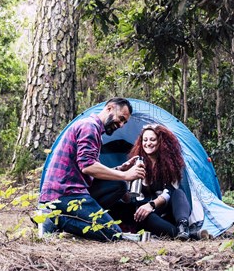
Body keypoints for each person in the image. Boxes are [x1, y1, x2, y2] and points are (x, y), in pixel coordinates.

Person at [38, 97, 146, 241]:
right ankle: (54, 219)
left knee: (118, 185)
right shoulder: (89, 127)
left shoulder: (93, 129)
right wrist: (126, 175)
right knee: (112, 232)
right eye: (120, 119)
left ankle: (66, 218)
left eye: (124, 122)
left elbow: (87, 167)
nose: (120, 125)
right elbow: (88, 167)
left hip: (73, 190)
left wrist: (120, 169)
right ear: (109, 108)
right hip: (64, 193)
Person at [112, 124, 206, 240]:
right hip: (148, 216)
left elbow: (169, 192)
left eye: (152, 139)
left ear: (161, 142)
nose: (148, 143)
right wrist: (124, 178)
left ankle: (183, 227)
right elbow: (128, 198)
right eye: (145, 140)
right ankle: (186, 234)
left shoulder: (171, 165)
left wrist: (151, 205)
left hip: (168, 211)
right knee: (144, 215)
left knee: (178, 193)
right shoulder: (137, 163)